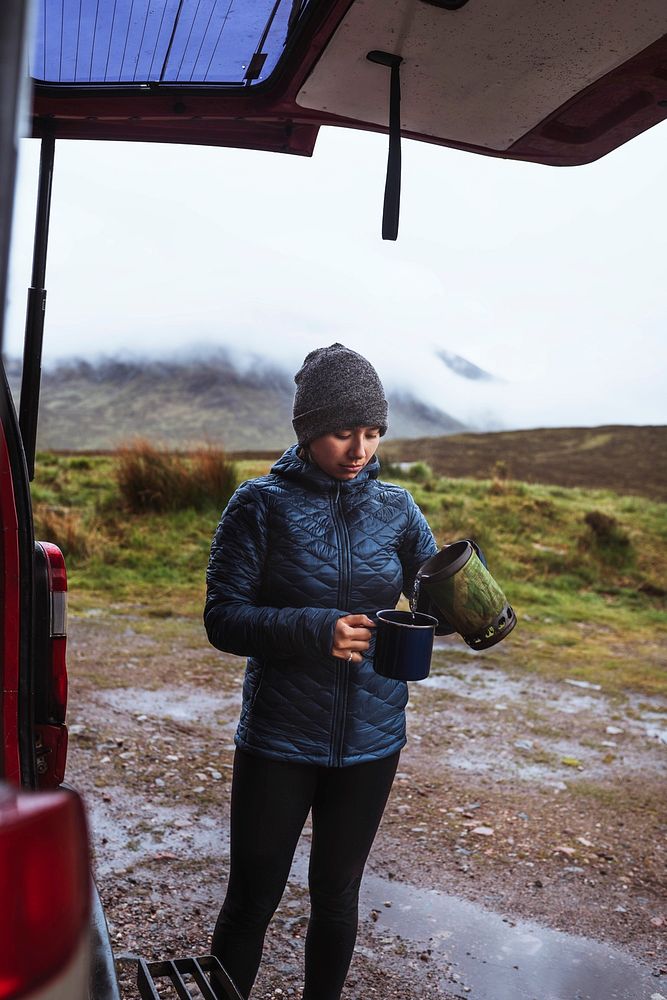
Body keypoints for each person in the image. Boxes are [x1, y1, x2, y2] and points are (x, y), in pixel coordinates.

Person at [204, 343, 438, 999]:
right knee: (253, 898)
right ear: (308, 430)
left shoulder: (397, 507)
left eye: (372, 432)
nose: (359, 449)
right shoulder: (258, 504)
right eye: (343, 432)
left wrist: (471, 605)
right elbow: (223, 618)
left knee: (337, 896)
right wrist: (317, 629)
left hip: (372, 738)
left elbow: (434, 604)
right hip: (279, 737)